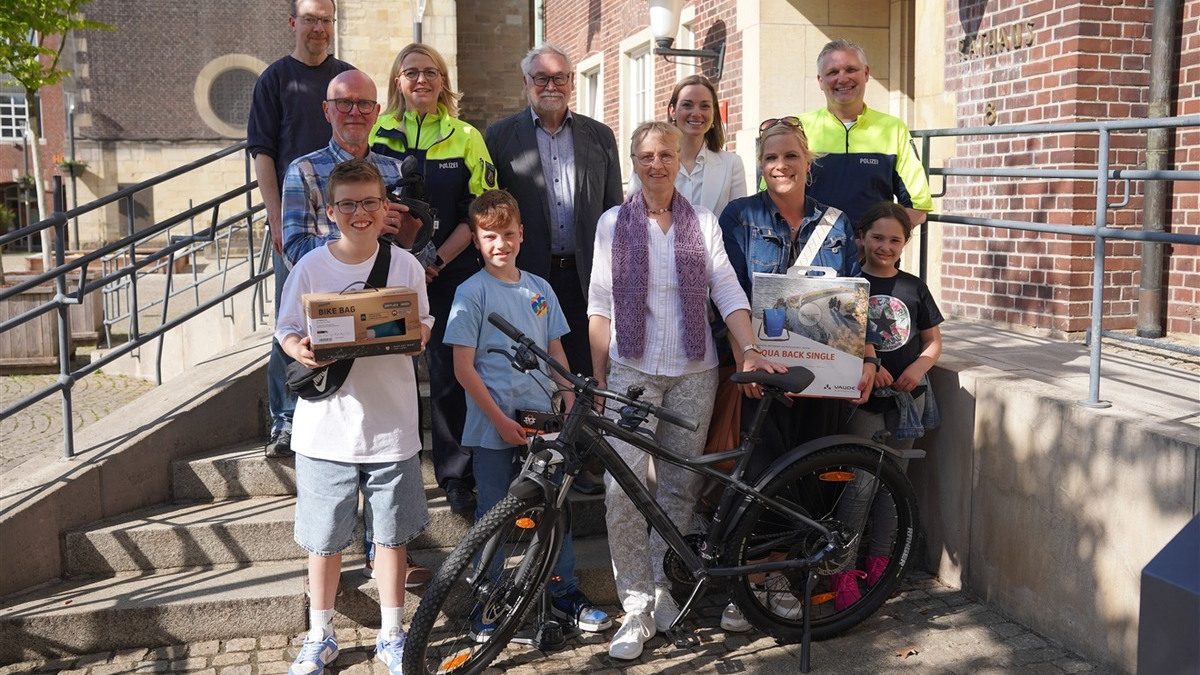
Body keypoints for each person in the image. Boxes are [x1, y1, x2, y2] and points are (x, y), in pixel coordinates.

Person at [588, 121, 782, 660]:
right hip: (632, 373)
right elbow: (599, 303)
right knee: (621, 489)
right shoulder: (612, 223)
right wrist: (600, 380)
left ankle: (659, 589)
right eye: (647, 155)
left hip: (697, 372)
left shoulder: (703, 222)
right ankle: (633, 605)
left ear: (679, 159)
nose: (657, 164)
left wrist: (746, 348)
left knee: (678, 487)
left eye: (666, 155)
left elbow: (725, 286)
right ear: (634, 160)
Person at [717, 117, 879, 633]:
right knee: (759, 477)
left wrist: (867, 360)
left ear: (809, 162)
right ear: (760, 165)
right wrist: (745, 357)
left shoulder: (835, 223)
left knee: (807, 478)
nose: (780, 166)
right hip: (763, 373)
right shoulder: (740, 217)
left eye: (790, 156)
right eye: (770, 158)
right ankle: (750, 585)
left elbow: (856, 299)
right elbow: (727, 296)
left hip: (822, 378)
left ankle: (787, 578)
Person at [276, 160, 432, 675]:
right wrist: (299, 349)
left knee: (391, 538)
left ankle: (392, 633)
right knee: (323, 542)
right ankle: (320, 634)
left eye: (369, 202)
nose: (359, 213)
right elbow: (286, 330)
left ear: (385, 207)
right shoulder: (310, 268)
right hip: (325, 429)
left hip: (391, 428)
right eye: (348, 204)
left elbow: (424, 321)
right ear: (331, 211)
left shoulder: (405, 265)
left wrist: (418, 335)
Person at [281, 69, 433, 587]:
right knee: (326, 519)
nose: (354, 112)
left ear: (376, 111)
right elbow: (297, 245)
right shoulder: (303, 169)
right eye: (344, 104)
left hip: (386, 341)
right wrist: (352, 248)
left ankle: (385, 568)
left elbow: (413, 253)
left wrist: (404, 231)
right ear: (328, 109)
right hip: (335, 328)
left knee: (391, 515)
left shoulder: (392, 167)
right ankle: (322, 622)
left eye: (365, 104)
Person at [443, 189, 612, 639]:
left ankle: (564, 591)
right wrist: (499, 419)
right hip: (492, 425)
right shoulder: (470, 292)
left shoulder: (540, 288)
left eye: (509, 234)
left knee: (555, 511)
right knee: (495, 513)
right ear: (477, 240)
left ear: (522, 234)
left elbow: (555, 351)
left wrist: (570, 405)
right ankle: (490, 598)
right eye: (491, 236)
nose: (501, 243)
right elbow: (463, 367)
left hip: (544, 425)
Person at [370, 43, 498, 517]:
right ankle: (390, 473)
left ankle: (456, 476)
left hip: (449, 271)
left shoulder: (467, 135)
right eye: (411, 73)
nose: (421, 80)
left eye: (430, 72)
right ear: (397, 81)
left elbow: (478, 213)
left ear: (443, 80)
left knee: (449, 374)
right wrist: (404, 260)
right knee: (388, 372)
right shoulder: (376, 133)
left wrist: (434, 261)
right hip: (383, 274)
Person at [247, 0, 355, 459]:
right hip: (296, 218)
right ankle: (286, 419)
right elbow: (263, 153)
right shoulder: (275, 79)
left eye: (325, 21)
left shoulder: (346, 75)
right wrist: (274, 216)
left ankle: (341, 405)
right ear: (294, 23)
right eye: (310, 19)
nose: (318, 28)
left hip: (347, 219)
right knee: (291, 320)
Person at [484, 42, 623, 382]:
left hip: (584, 278)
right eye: (541, 78)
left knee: (583, 370)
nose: (550, 86)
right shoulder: (499, 136)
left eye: (559, 78)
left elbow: (613, 212)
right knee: (529, 369)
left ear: (571, 81)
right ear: (525, 82)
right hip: (526, 275)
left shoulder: (601, 136)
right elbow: (491, 211)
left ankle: (580, 435)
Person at [829, 201, 943, 611]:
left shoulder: (914, 287)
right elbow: (841, 337)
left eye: (895, 239)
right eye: (877, 237)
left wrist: (918, 368)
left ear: (906, 242)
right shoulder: (851, 285)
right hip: (865, 402)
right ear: (861, 237)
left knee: (893, 487)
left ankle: (881, 566)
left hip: (907, 401)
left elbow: (932, 342)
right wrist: (867, 364)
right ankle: (842, 570)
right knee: (859, 487)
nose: (886, 246)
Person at [798, 38, 933, 229]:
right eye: (833, 72)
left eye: (851, 70)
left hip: (873, 256)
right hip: (812, 254)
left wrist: (879, 241)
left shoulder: (893, 129)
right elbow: (771, 199)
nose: (843, 78)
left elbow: (918, 206)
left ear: (866, 73)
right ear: (821, 81)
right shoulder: (798, 129)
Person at [629, 74, 746, 217]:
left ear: (714, 112)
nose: (696, 113)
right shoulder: (647, 162)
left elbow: (739, 224)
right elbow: (633, 215)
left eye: (704, 106)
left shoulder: (732, 164)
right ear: (672, 110)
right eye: (687, 105)